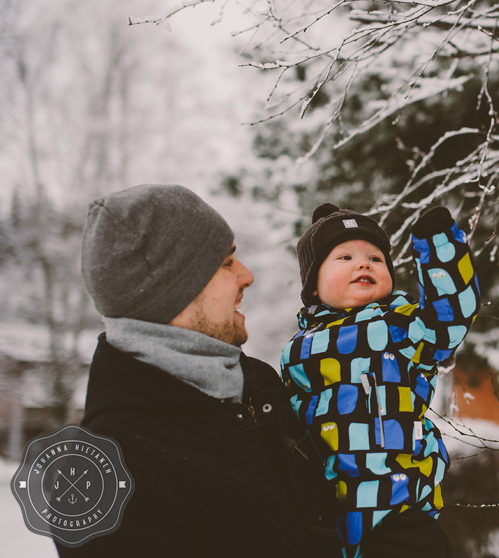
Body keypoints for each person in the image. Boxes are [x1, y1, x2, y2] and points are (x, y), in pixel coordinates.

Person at [56, 184, 337, 558]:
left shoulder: (259, 385)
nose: (247, 276)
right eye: (225, 263)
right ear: (170, 289)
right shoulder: (108, 478)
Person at [280, 203, 480, 558]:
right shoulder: (296, 352)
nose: (364, 263)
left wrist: (438, 246)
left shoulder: (405, 329)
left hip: (397, 512)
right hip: (324, 516)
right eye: (344, 257)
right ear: (312, 285)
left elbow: (453, 313)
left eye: (376, 258)